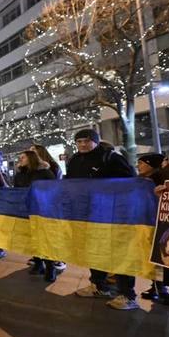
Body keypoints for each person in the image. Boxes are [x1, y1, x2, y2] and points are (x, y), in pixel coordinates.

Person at [65, 128, 137, 308]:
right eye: (79, 141)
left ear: (96, 141)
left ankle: (127, 294)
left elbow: (130, 182)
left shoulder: (111, 158)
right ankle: (99, 285)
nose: (82, 144)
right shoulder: (74, 160)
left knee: (118, 251)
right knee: (94, 250)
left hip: (112, 213)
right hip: (87, 213)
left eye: (86, 141)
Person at [138, 152, 169, 307]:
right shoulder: (149, 179)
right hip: (161, 223)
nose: (138, 166)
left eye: (142, 162)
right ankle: (159, 288)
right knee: (161, 258)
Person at [13, 150, 62, 281]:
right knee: (32, 238)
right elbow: (17, 190)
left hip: (43, 210)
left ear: (31, 158)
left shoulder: (44, 172)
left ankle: (50, 267)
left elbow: (54, 189)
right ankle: (38, 263)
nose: (20, 159)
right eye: (20, 157)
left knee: (45, 239)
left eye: (23, 157)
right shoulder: (19, 174)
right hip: (27, 210)